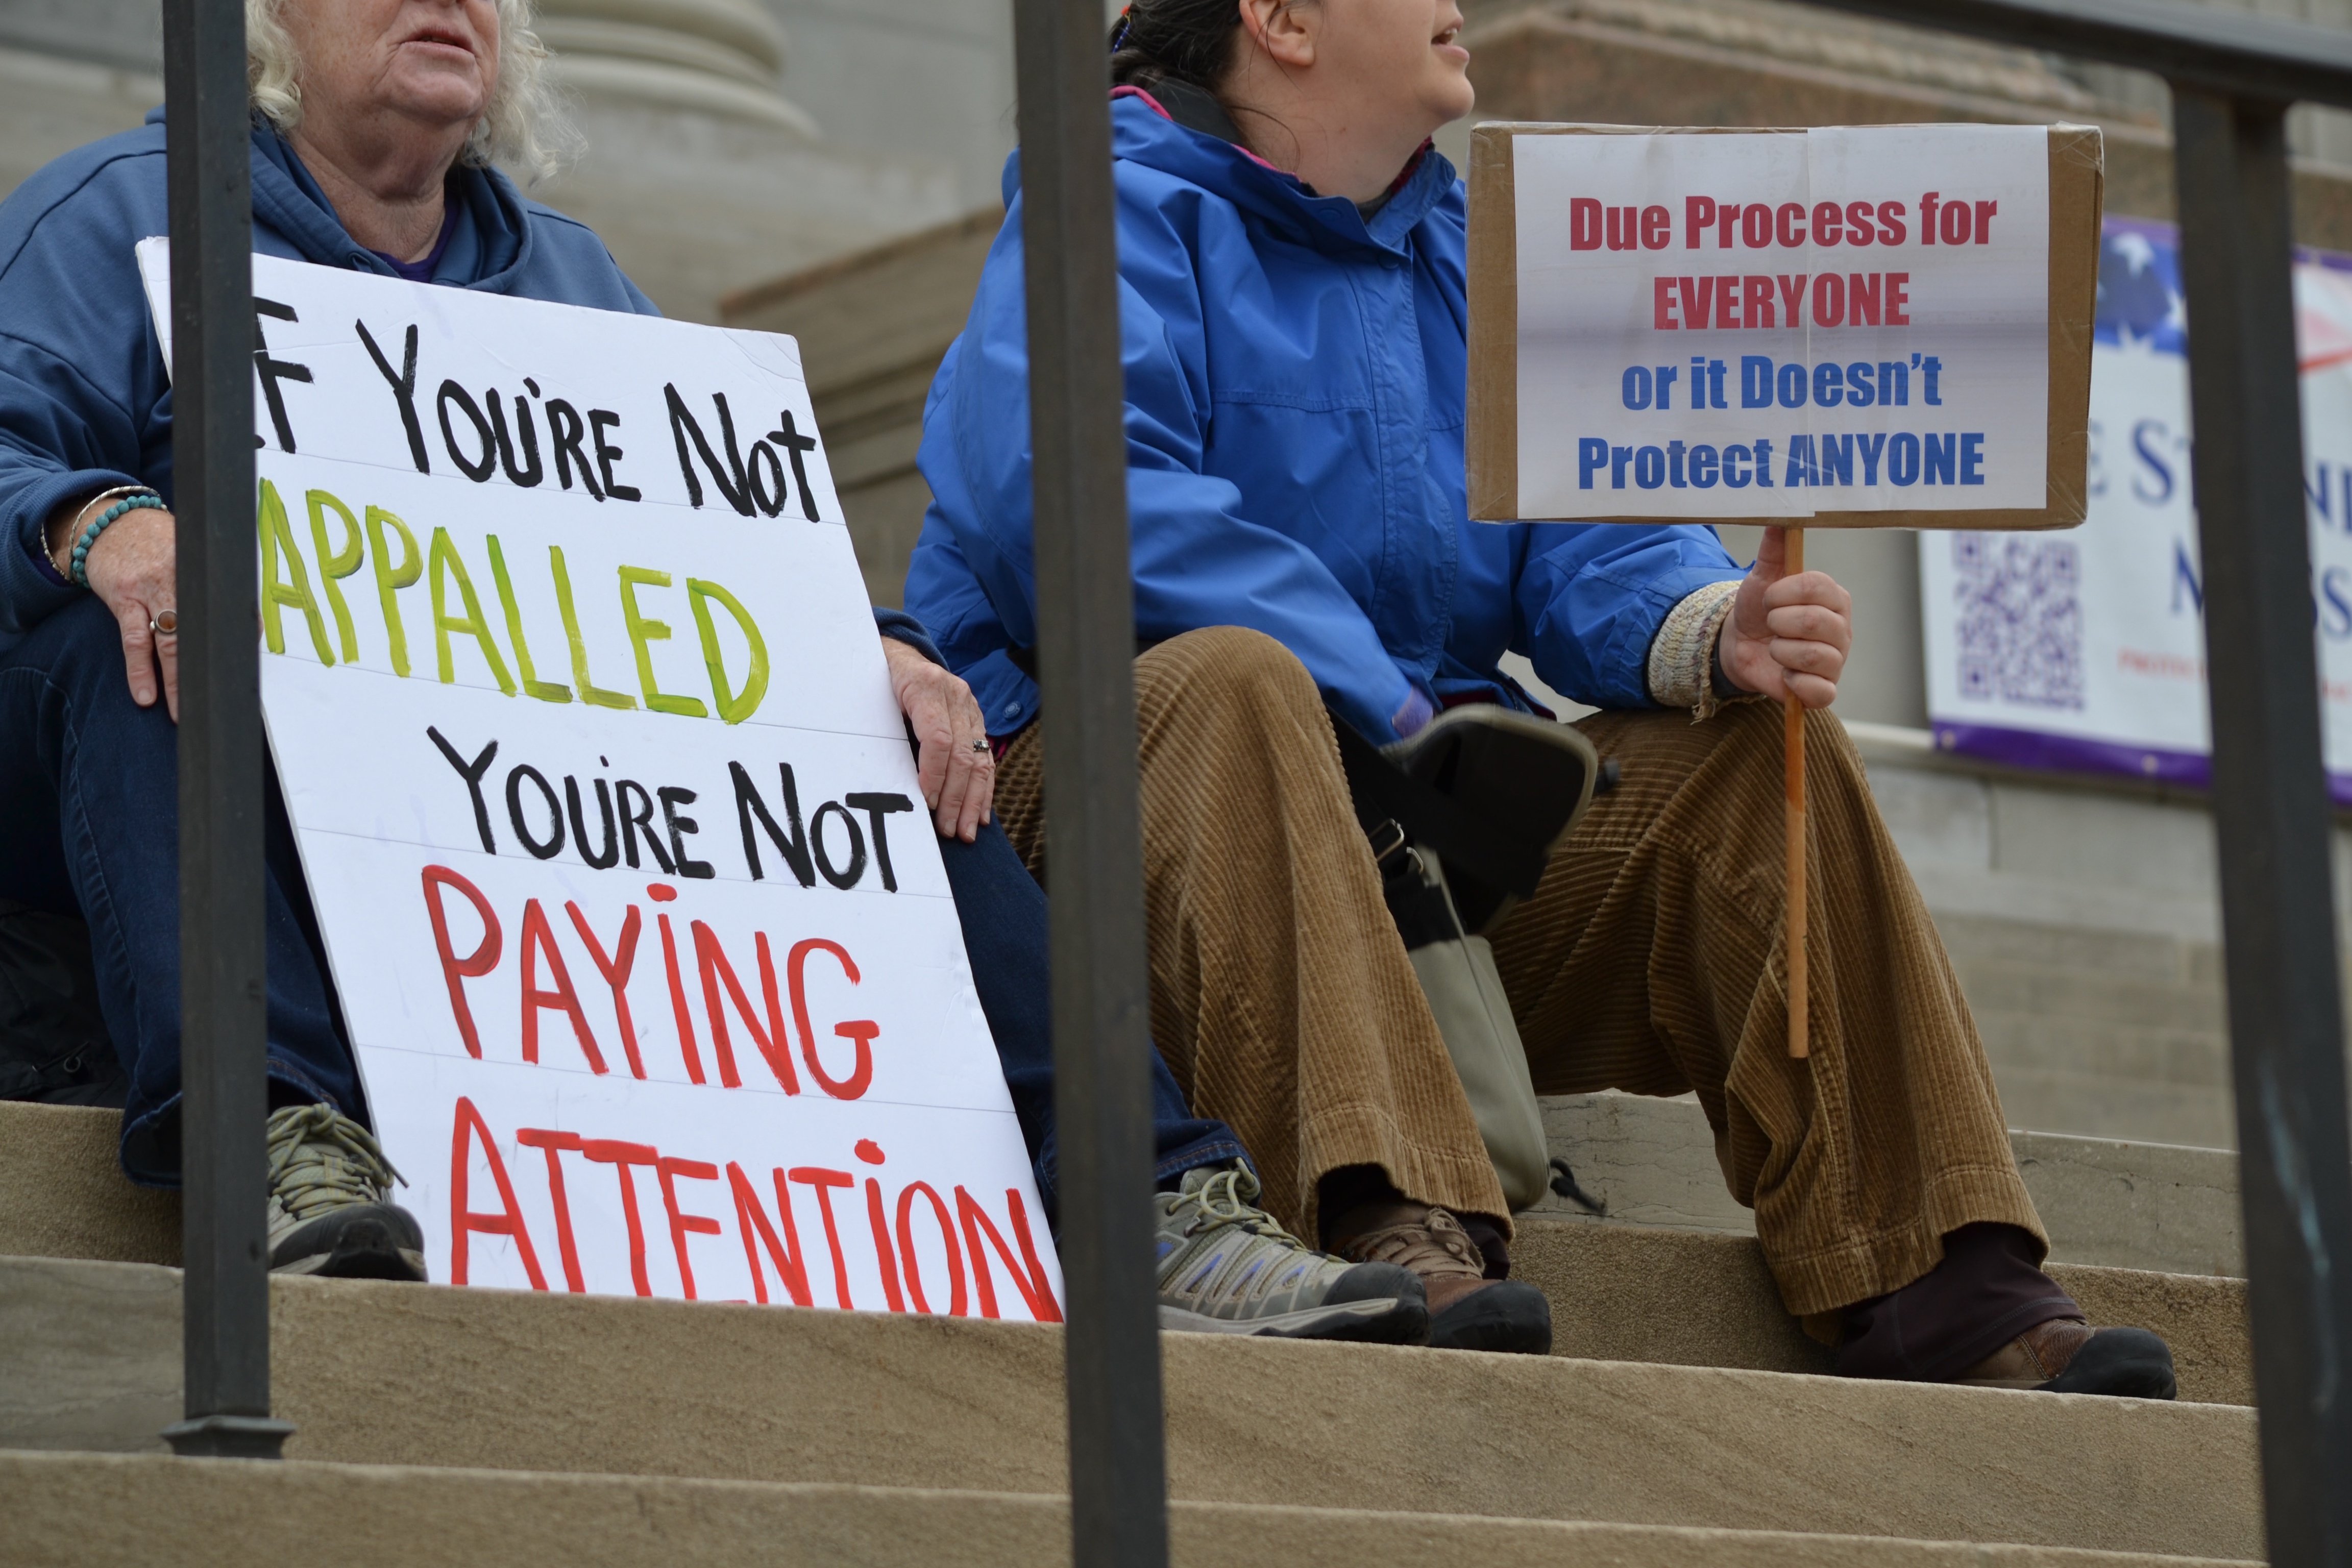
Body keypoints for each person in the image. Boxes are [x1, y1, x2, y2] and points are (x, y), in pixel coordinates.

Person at [0, 0, 1430, 1346]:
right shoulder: (116, 216)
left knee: (877, 724)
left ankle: (1153, 1196)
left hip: (487, 822)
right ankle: (270, 1133)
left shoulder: (571, 280)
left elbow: (736, 560)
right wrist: (97, 523)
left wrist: (882, 649)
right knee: (139, 633)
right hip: (169, 799)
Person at [904, 0, 2179, 1391]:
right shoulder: (1103, 210)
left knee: (1755, 749)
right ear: (1280, 20)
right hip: (1109, 854)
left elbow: (1595, 517)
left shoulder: (1474, 249)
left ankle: (1935, 1272)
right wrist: (1387, 715)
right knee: (1240, 681)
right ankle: (1393, 1212)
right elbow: (1075, 504)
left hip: (1408, 860)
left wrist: (1717, 629)